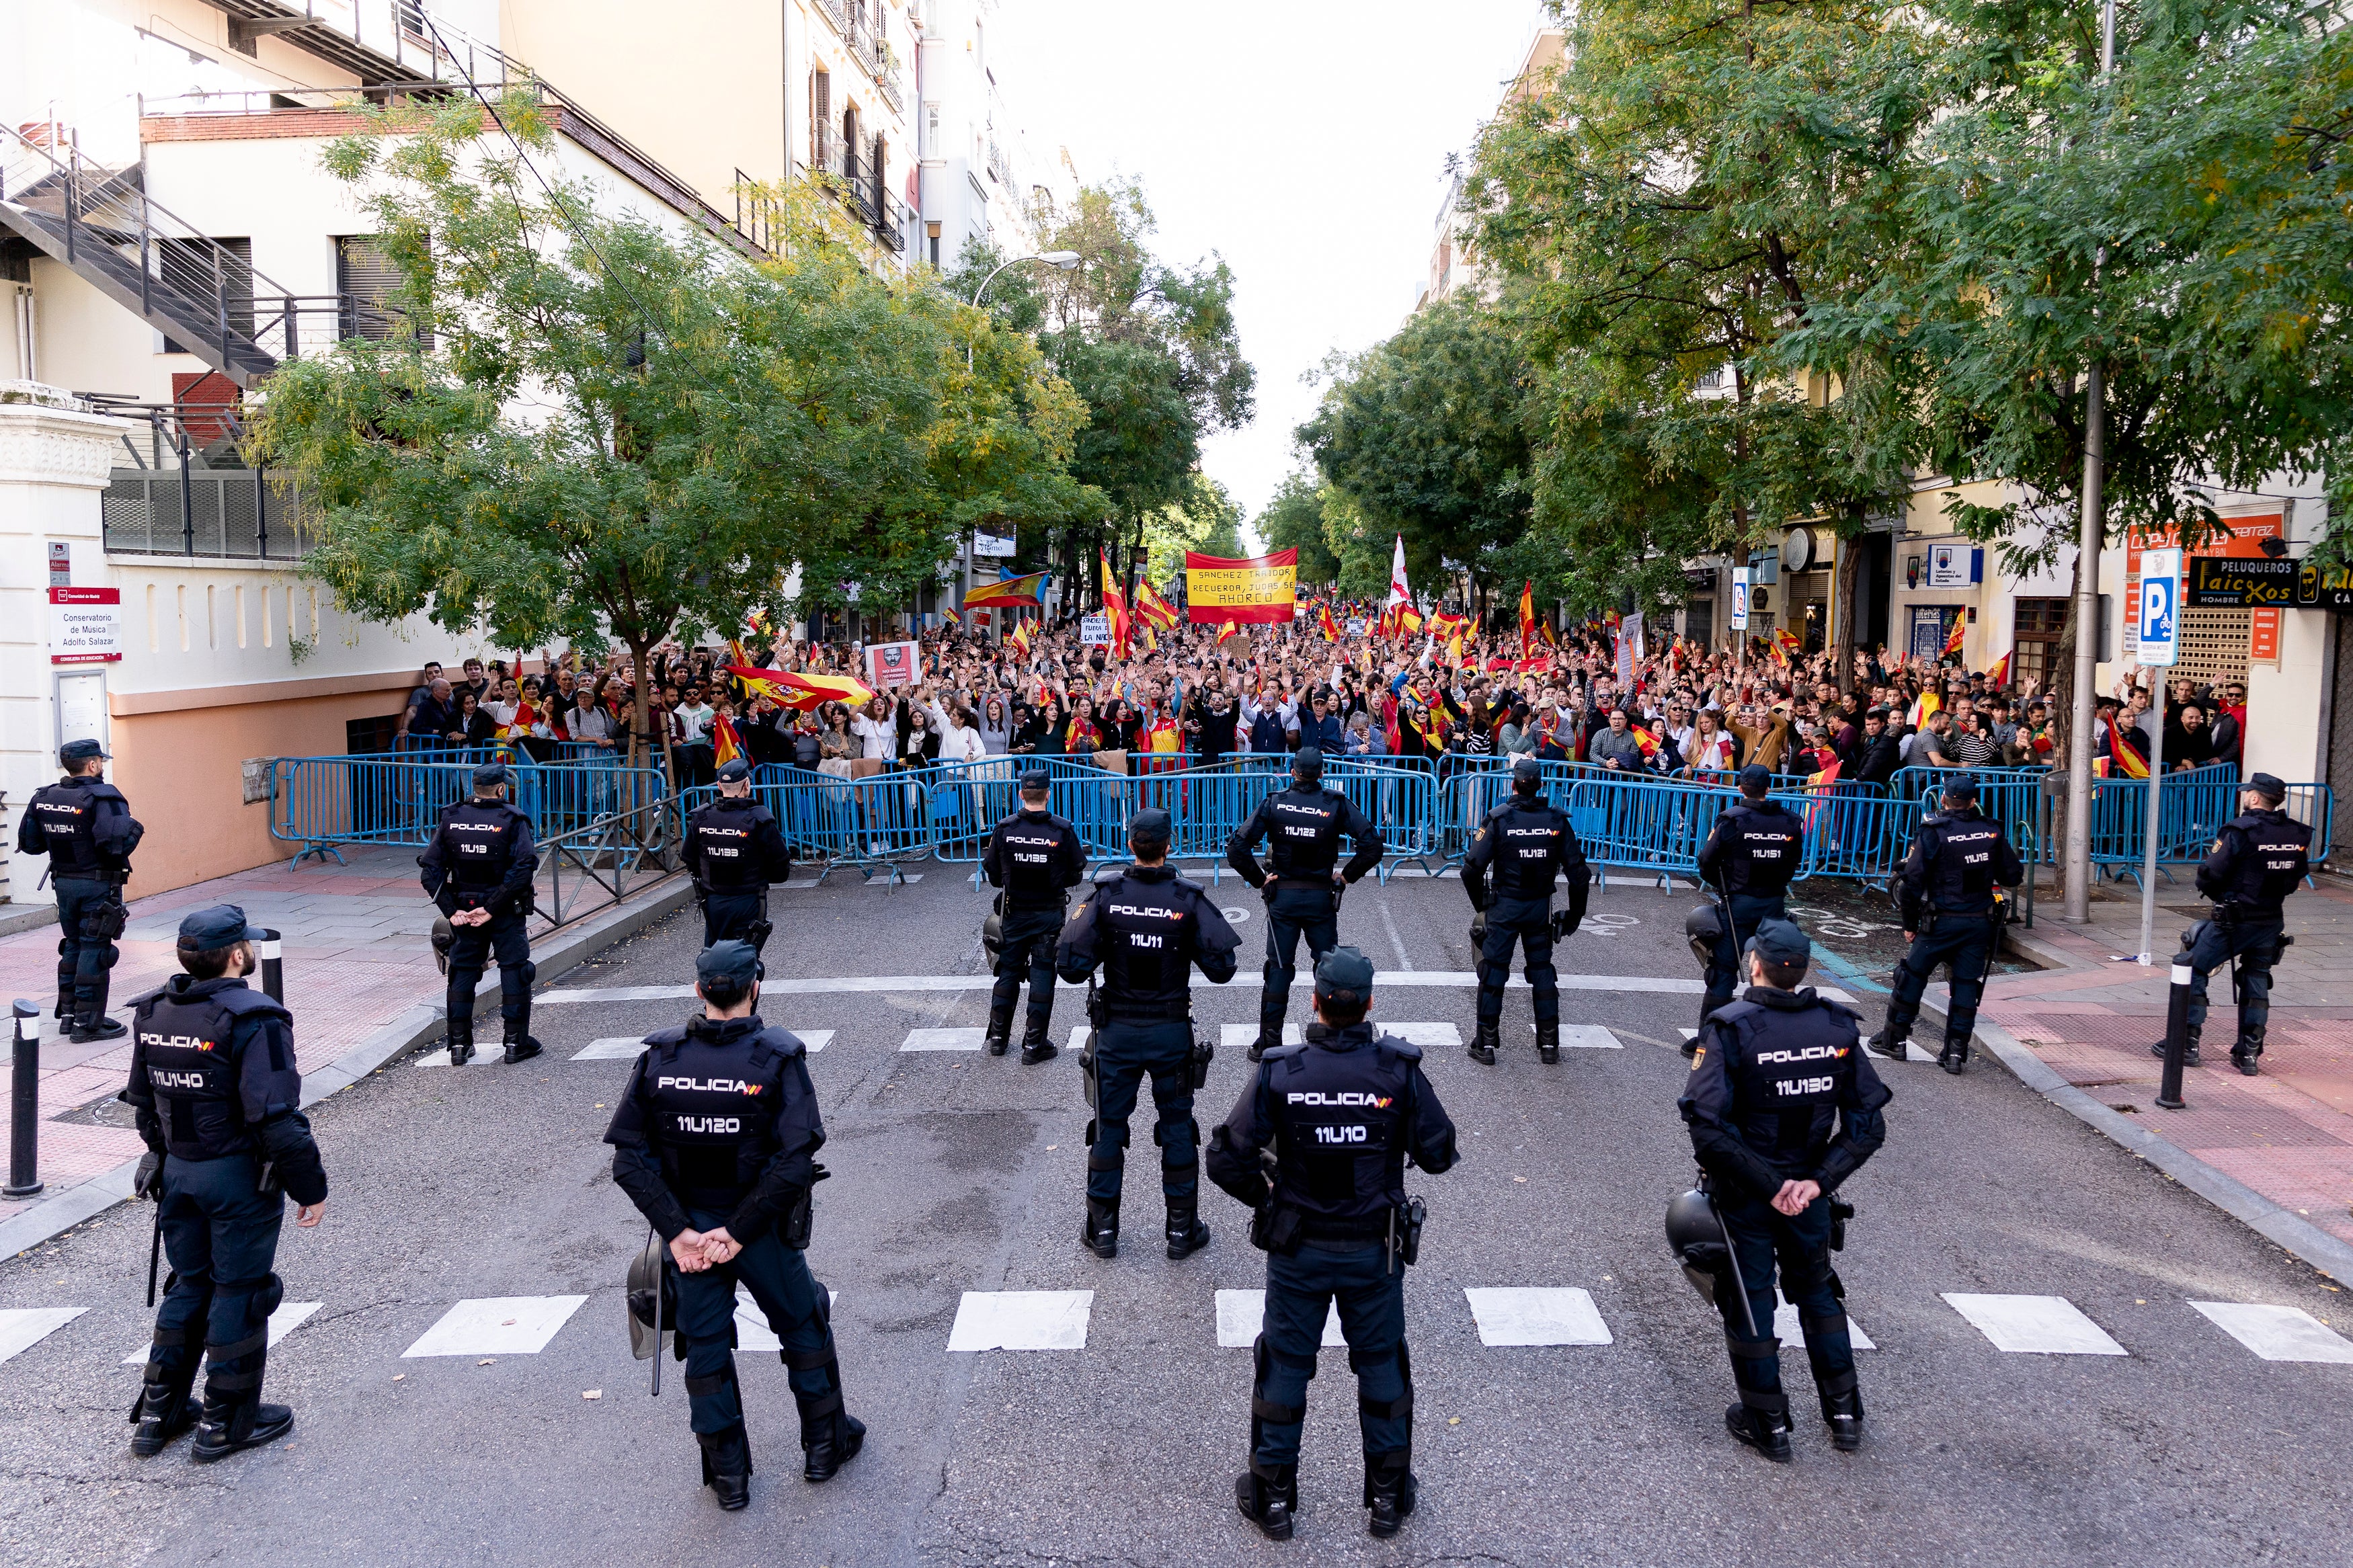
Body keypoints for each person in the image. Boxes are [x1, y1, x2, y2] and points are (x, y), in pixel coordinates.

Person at [1206, 947, 1458, 1541]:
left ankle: (1273, 1499)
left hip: (1299, 1250)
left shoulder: (1283, 1071)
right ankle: (1388, 1499)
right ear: (1369, 1003)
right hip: (1375, 1252)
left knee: (1286, 1364)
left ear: (1314, 1000)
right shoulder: (1397, 1071)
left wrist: (1269, 1202)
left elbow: (1224, 1157)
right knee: (1381, 1367)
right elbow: (1440, 1153)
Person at [604, 941, 862, 1507]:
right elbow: (795, 1159)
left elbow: (628, 1159)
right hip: (759, 1228)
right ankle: (824, 1449)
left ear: (699, 991)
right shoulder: (777, 1058)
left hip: (691, 1234)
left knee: (706, 1347)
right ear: (755, 987)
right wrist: (739, 1231)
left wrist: (680, 1233)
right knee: (803, 1323)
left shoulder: (661, 1059)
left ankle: (730, 1480)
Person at [1677, 918, 1889, 1462]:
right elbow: (1868, 1125)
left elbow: (1706, 1124)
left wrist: (1773, 1187)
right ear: (1801, 969)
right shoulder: (1839, 1029)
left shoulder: (1731, 1027)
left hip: (1750, 1193)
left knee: (1751, 1300)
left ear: (1755, 965)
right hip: (1810, 1194)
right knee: (1818, 1294)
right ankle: (1845, 1415)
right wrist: (1815, 1182)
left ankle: (1767, 1422)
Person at [122, 905, 328, 1462]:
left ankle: (159, 1416)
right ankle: (225, 1423)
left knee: (190, 1283)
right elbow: (275, 1117)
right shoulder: (253, 1018)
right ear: (237, 955)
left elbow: (145, 1105)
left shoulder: (155, 1010)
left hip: (179, 1173)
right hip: (237, 1177)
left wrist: (160, 1157)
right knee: (241, 1290)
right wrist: (310, 1187)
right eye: (247, 945)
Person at [1057, 807, 1242, 1261]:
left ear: (1130, 844)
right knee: (1178, 1128)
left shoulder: (1105, 896)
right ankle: (1181, 1231)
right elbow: (1223, 968)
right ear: (1169, 844)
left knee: (1107, 1129)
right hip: (1169, 1033)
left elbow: (1070, 965)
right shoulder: (1187, 897)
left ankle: (1102, 1230)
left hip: (1117, 1033)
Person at [1226, 747, 1386, 1061]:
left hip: (1282, 896)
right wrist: (1346, 877)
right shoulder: (1335, 803)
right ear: (1322, 773)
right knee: (1327, 966)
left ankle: (1269, 1043)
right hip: (1319, 898)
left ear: (1293, 772)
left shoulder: (1275, 802)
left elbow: (1236, 848)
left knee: (1279, 969)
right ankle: (1337, 1039)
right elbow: (1372, 845)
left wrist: (1260, 880)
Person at [1866, 772, 2024, 1073]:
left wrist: (1909, 924)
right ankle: (1955, 1052)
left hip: (1939, 922)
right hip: (1978, 921)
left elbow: (1912, 882)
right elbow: (2012, 876)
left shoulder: (1934, 831)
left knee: (1911, 976)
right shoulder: (1991, 831)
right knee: (1966, 984)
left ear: (1943, 799)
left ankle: (1894, 1039)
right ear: (1973, 802)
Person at [2153, 773, 2310, 1075]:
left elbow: (2211, 873)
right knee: (2257, 980)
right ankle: (2248, 1053)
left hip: (2233, 920)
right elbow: (2295, 877)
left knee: (2194, 968)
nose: (2244, 796)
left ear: (2254, 798)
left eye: (2246, 792)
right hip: (2269, 919)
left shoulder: (2240, 830)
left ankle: (2187, 1043)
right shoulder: (2297, 833)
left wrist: (2222, 897)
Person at [1460, 756, 1590, 1065]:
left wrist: (1484, 906)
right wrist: (1575, 915)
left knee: (1493, 972)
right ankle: (1549, 1045)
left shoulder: (1500, 819)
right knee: (1542, 972)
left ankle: (1486, 1044)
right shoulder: (1556, 820)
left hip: (1505, 906)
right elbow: (1579, 875)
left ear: (1514, 783)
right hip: (1538, 907)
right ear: (1540, 785)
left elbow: (1471, 869)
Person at [17, 737, 145, 1042]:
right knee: (95, 949)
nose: (102, 765)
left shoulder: (44, 797)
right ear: (92, 765)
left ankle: (70, 1015)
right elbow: (115, 846)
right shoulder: (104, 798)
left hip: (63, 884)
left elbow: (31, 845)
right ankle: (88, 1025)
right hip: (97, 884)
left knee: (73, 944)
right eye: (100, 761)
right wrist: (134, 829)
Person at [419, 761, 541, 1065]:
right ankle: (515, 1043)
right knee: (515, 969)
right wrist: (492, 907)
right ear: (501, 789)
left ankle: (459, 1046)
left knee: (462, 971)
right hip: (503, 909)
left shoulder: (452, 817)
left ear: (474, 788)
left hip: (465, 907)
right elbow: (524, 869)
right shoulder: (512, 819)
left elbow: (430, 873)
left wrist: (454, 911)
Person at [1690, 764, 1804, 1046]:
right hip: (1773, 904)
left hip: (1737, 904)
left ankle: (1709, 1041)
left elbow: (1706, 861)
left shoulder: (1731, 820)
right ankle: (1768, 1040)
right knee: (1772, 970)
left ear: (1741, 788)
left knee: (1723, 971)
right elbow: (1793, 862)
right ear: (1769, 788)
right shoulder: (1790, 821)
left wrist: (1722, 883)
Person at [981, 768, 1088, 1061]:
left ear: (1021, 794)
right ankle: (1033, 1045)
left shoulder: (1005, 828)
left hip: (1014, 912)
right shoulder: (1061, 829)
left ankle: (998, 1040)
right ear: (1048, 794)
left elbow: (991, 871)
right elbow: (1077, 870)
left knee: (1008, 971)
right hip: (1049, 913)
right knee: (1042, 973)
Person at [684, 758, 795, 954]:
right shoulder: (759, 819)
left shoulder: (701, 818)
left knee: (714, 954)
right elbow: (781, 867)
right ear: (747, 785)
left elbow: (690, 860)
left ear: (719, 785)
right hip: (748, 900)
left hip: (714, 900)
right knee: (746, 957)